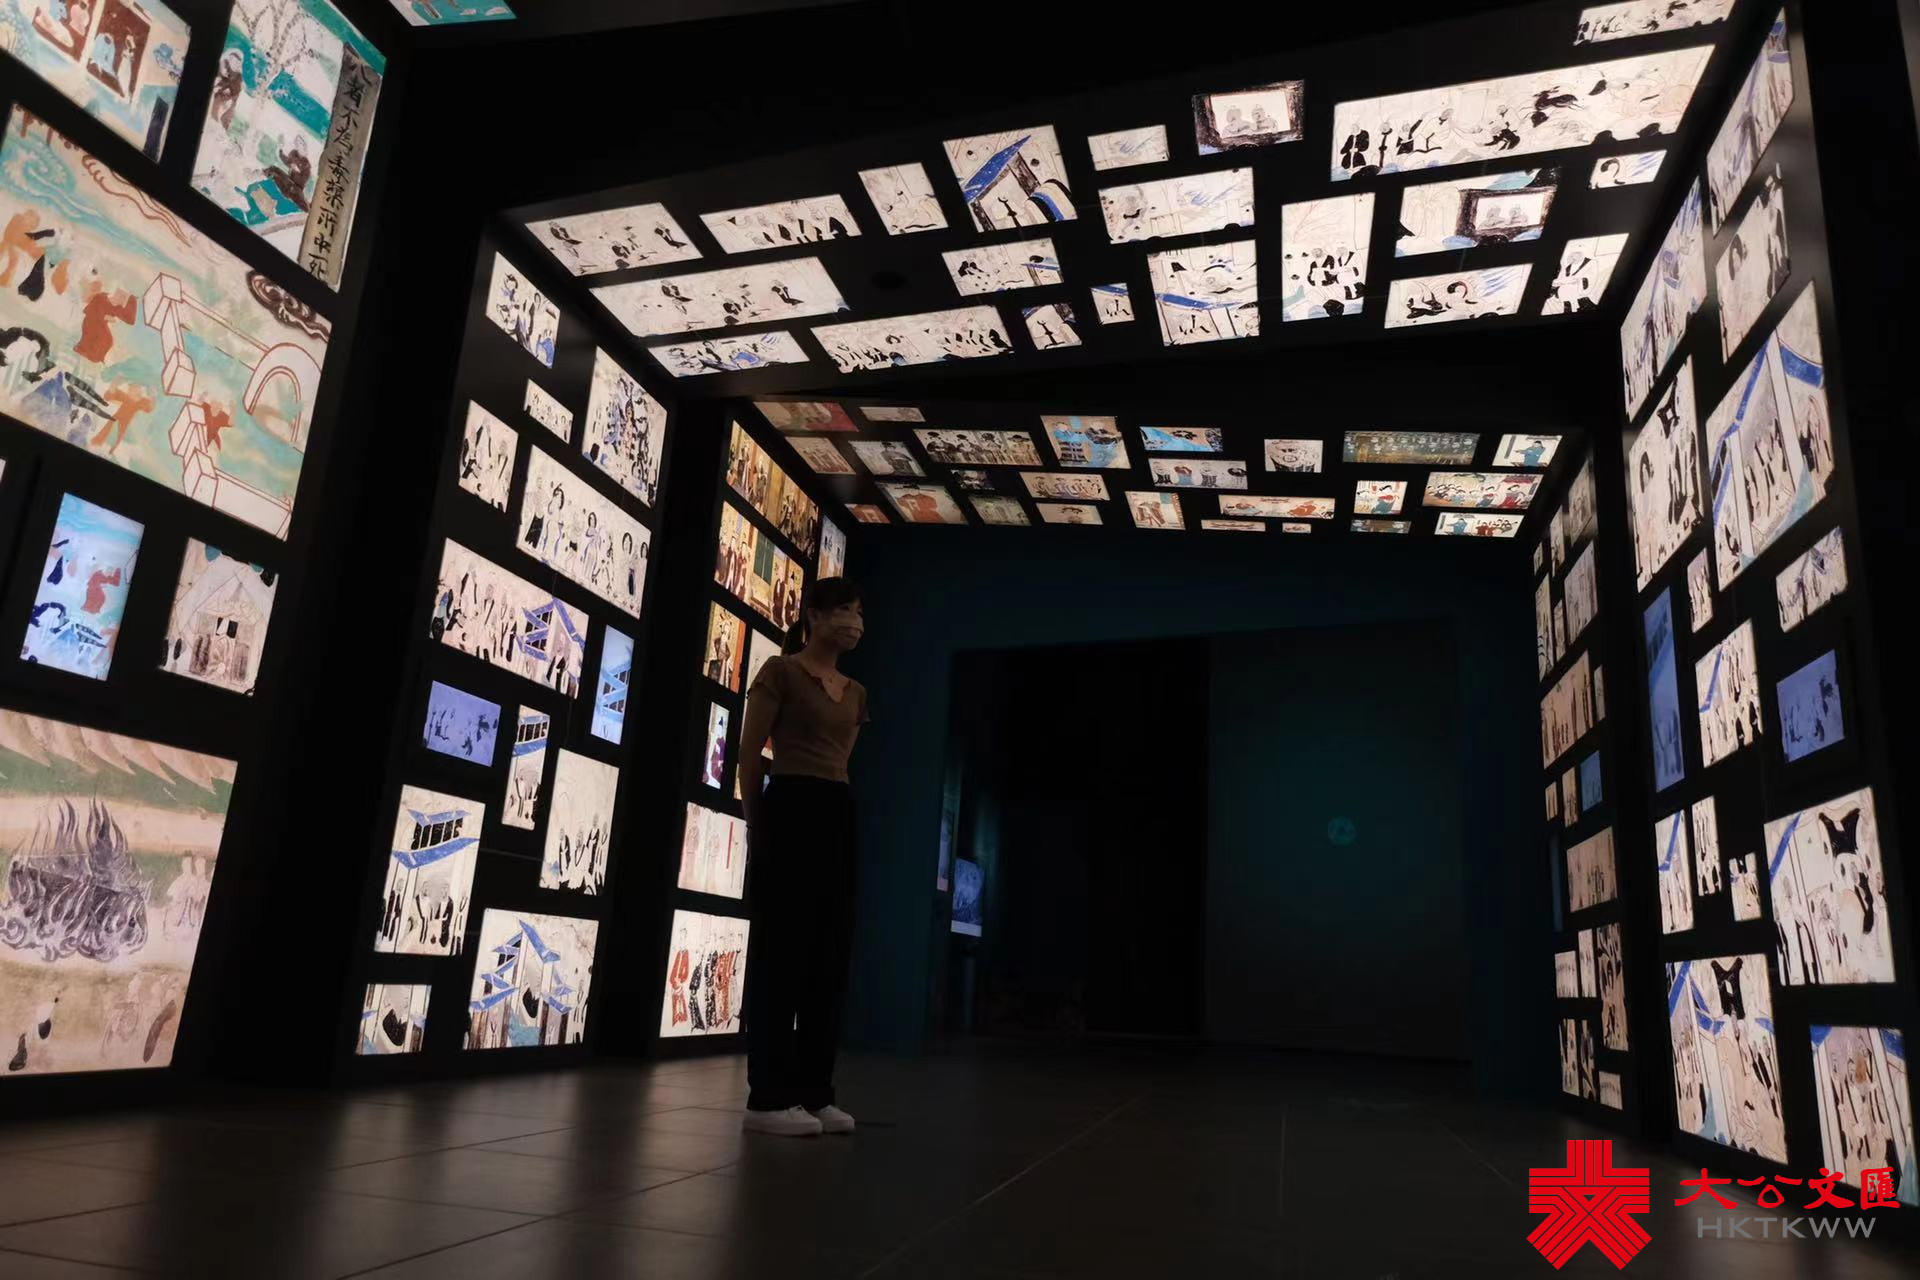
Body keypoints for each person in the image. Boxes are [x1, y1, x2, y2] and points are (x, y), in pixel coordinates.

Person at [736, 578, 867, 1138]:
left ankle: (816, 1092)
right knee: (781, 952)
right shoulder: (781, 672)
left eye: (858, 612)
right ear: (813, 615)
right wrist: (755, 824)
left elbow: (841, 761)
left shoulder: (856, 692)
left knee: (829, 954)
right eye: (843, 610)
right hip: (790, 804)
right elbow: (749, 755)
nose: (854, 621)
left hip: (836, 811)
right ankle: (768, 1098)